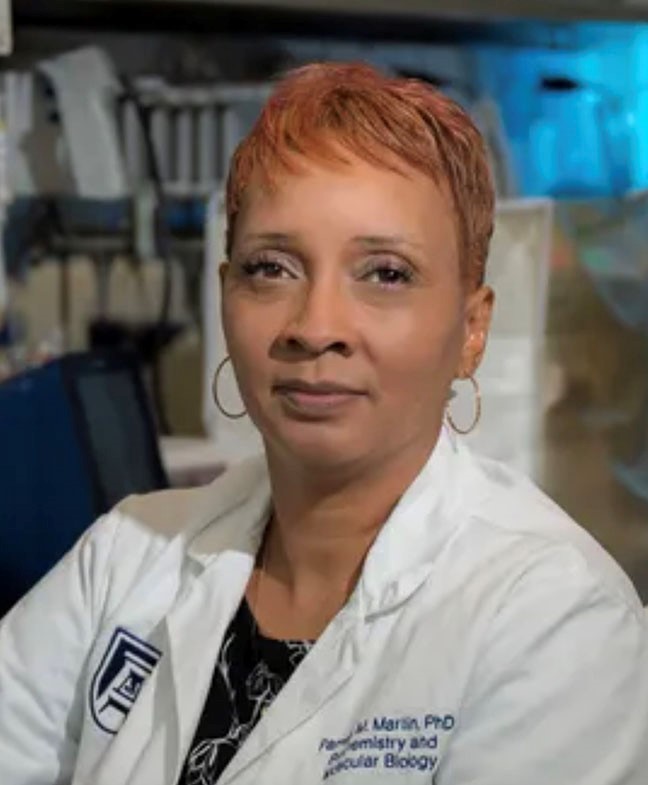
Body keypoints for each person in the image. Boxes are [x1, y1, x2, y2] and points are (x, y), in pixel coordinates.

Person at [0, 62, 647, 785]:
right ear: (225, 297)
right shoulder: (128, 553)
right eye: (272, 267)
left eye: (385, 274)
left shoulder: (553, 616)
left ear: (472, 327)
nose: (316, 326)